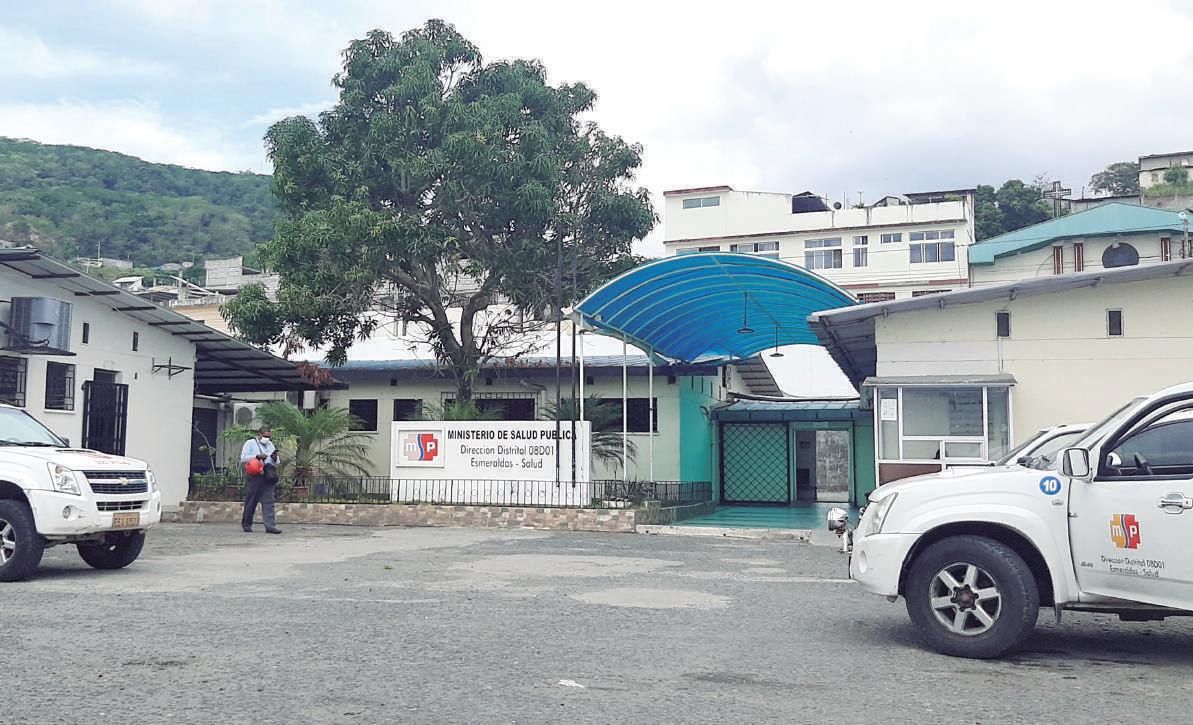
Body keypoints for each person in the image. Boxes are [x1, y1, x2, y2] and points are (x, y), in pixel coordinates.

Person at [240, 425, 282, 534]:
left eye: (269, 436)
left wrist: (275, 458)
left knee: (269, 501)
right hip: (255, 474)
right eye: (265, 436)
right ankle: (247, 524)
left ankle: (270, 526)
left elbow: (277, 462)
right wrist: (257, 456)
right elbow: (243, 458)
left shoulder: (270, 445)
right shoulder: (250, 443)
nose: (267, 438)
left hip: (268, 475)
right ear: (260, 435)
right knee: (251, 500)